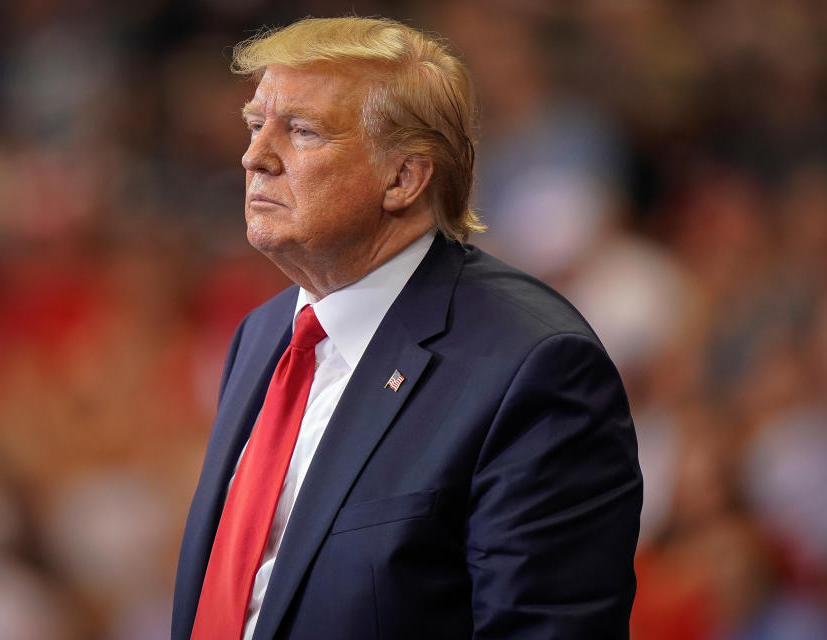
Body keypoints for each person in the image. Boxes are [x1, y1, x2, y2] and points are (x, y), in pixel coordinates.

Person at [172, 16, 642, 640]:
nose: (254, 157)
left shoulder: (532, 367)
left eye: (302, 132)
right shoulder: (262, 337)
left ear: (403, 177)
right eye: (257, 126)